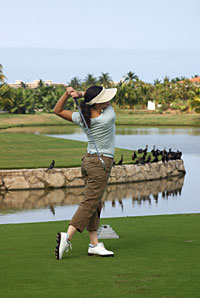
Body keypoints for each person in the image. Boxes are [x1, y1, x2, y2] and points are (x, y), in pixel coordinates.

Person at [54, 85, 117, 259]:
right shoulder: (108, 117)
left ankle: (94, 244)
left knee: (96, 202)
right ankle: (68, 236)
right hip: (100, 163)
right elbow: (109, 103)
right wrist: (81, 94)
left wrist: (68, 95)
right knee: (90, 202)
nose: (107, 99)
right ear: (98, 103)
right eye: (103, 98)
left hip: (88, 161)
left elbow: (57, 110)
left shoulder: (82, 117)